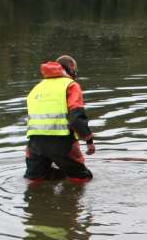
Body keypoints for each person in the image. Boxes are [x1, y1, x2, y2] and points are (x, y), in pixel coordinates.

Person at [25, 55, 95, 183]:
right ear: (72, 68)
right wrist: (89, 140)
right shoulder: (71, 85)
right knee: (82, 179)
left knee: (34, 180)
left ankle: (37, 200)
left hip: (34, 143)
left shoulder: (37, 87)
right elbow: (75, 118)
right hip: (62, 142)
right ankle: (70, 198)